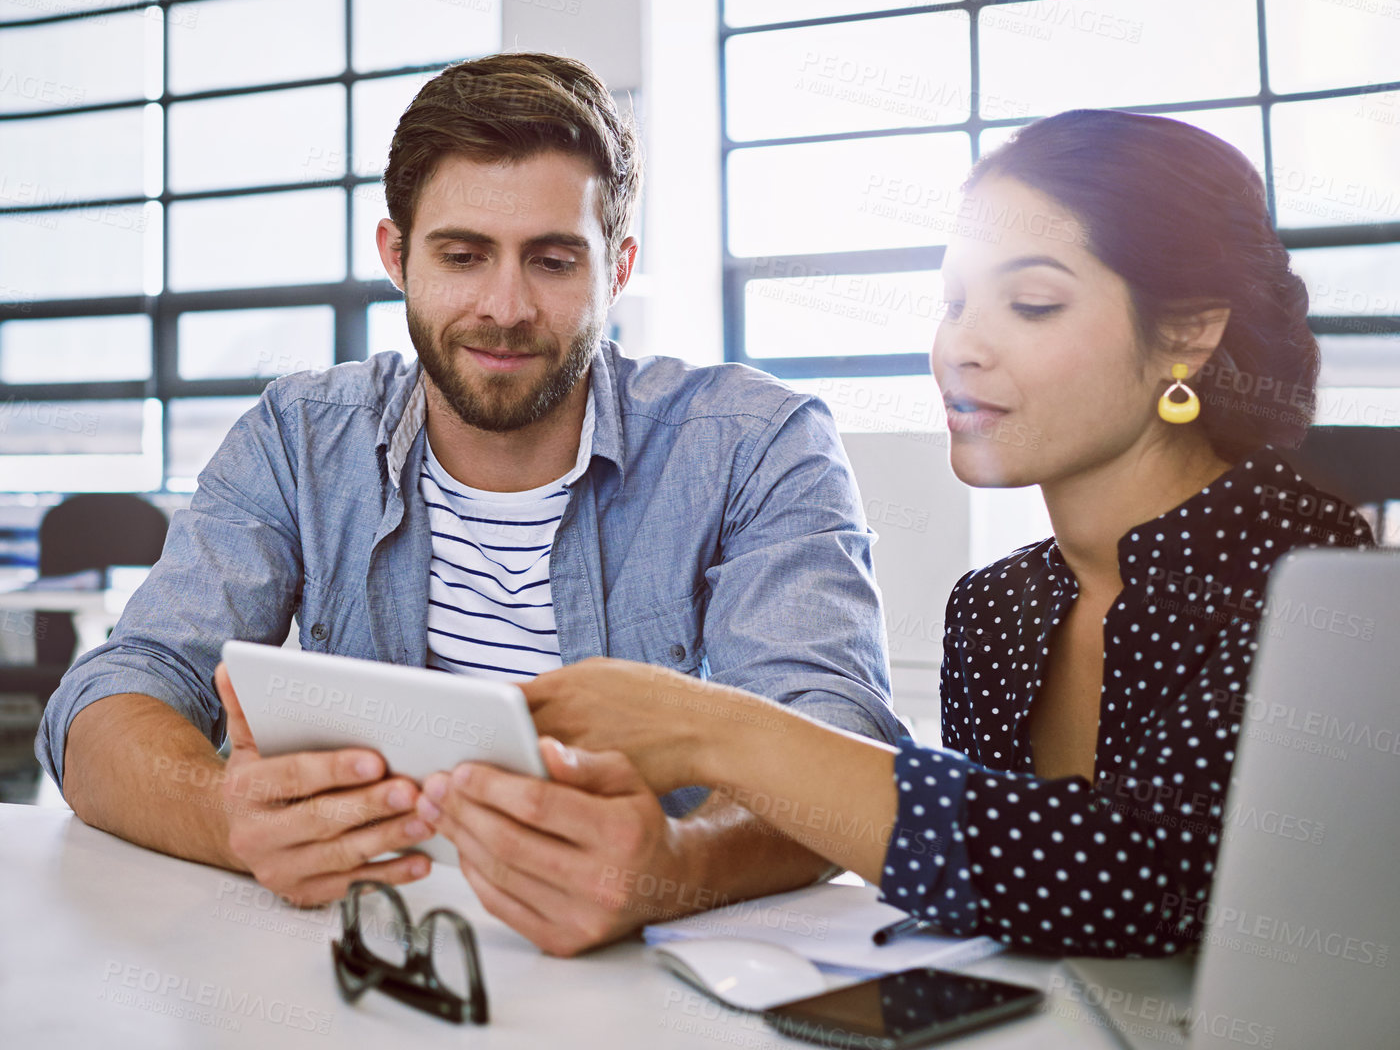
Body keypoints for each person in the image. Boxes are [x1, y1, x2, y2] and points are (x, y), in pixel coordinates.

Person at [37, 51, 903, 956]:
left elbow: (834, 744)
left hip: (657, 990)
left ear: (617, 269)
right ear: (396, 256)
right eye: (462, 255)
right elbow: (112, 694)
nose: (505, 306)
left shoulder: (758, 441)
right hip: (362, 968)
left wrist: (675, 867)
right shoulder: (299, 434)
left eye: (554, 259)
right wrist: (227, 818)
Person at [479, 109, 1372, 957]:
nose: (962, 349)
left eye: (1031, 304)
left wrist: (715, 732)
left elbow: (1144, 881)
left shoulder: (1316, 576)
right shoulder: (997, 609)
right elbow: (1006, 901)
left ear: (1186, 332)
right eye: (953, 303)